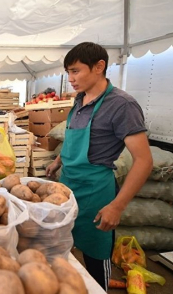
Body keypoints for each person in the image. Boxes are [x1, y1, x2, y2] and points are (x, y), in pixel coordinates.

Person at [45, 42, 153, 290]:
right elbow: (73, 136)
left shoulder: (121, 105)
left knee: (96, 255)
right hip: (68, 187)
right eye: (68, 72)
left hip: (96, 192)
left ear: (99, 67)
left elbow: (144, 161)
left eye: (75, 71)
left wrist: (117, 206)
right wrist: (58, 161)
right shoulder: (80, 99)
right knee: (64, 249)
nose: (70, 79)